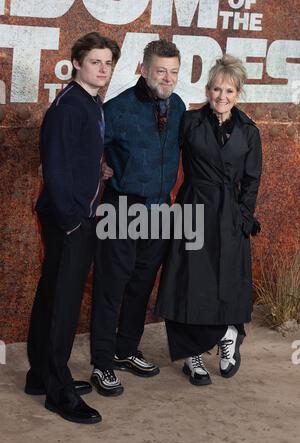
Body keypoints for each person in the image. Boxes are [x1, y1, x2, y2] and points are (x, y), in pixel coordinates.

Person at [25, 32, 120, 423]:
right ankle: (58, 391)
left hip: (76, 213)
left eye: (108, 63)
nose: (103, 69)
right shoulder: (69, 107)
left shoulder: (88, 101)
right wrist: (71, 222)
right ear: (77, 63)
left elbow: (76, 157)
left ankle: (40, 375)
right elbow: (55, 166)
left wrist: (98, 171)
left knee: (53, 295)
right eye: (96, 62)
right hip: (70, 220)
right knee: (62, 306)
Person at [155, 54, 262, 386]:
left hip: (229, 212)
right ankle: (193, 355)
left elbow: (252, 179)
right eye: (216, 89)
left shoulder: (249, 131)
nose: (222, 97)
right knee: (191, 282)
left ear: (238, 93)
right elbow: (163, 150)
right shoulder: (190, 121)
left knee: (227, 280)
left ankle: (229, 334)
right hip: (193, 206)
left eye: (229, 91)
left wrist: (244, 215)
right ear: (208, 90)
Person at [90, 39, 186, 396]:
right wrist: (98, 164)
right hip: (122, 207)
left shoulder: (177, 106)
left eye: (174, 71)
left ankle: (125, 349)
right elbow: (89, 144)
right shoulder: (116, 109)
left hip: (160, 208)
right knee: (111, 286)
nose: (168, 77)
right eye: (160, 70)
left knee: (142, 283)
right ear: (143, 70)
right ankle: (101, 364)